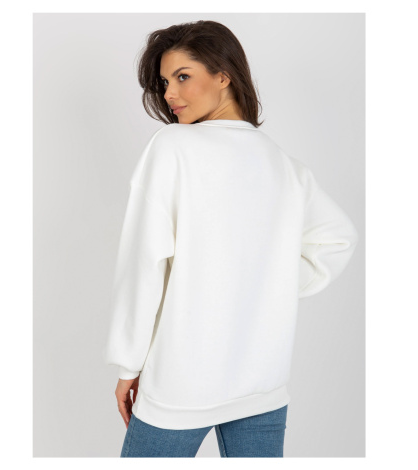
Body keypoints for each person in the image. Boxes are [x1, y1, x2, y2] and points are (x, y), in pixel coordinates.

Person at [103, 20, 359, 458]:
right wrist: (270, 286)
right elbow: (337, 239)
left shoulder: (173, 147)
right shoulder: (281, 163)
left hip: (182, 385)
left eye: (183, 76)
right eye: (164, 82)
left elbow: (143, 265)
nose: (170, 93)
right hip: (263, 384)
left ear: (223, 75)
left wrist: (129, 364)